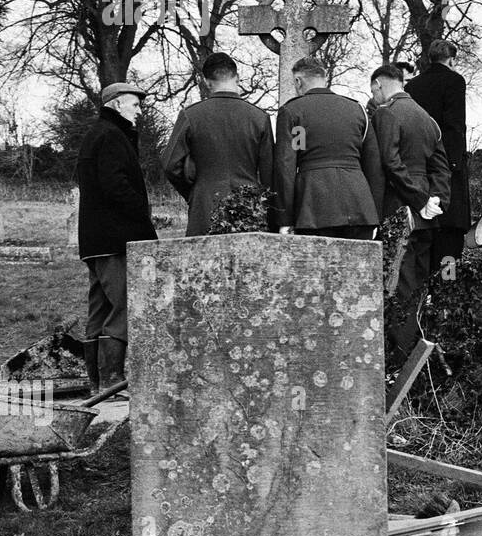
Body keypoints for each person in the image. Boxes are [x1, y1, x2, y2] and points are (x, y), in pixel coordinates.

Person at [76, 83, 158, 394]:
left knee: (99, 307)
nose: (139, 111)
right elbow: (116, 186)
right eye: (134, 105)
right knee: (124, 303)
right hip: (114, 238)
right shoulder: (111, 136)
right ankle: (111, 381)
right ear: (116, 103)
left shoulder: (98, 134)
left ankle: (96, 383)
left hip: (95, 240)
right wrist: (141, 220)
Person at [370, 63, 451, 351]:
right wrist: (436, 201)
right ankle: (417, 345)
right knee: (417, 283)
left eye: (374, 90)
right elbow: (441, 167)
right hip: (427, 214)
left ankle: (403, 353)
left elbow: (390, 163)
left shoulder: (386, 114)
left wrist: (419, 201)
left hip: (400, 208)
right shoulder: (427, 118)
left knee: (398, 284)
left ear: (379, 84)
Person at [162, 52, 274, 236]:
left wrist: (193, 192)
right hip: (248, 206)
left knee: (204, 262)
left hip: (204, 205)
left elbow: (169, 164)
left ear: (206, 82)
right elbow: (269, 173)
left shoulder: (191, 115)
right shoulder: (259, 118)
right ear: (237, 77)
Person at [274, 57, 382, 239]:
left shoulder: (294, 112)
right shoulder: (357, 110)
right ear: (324, 78)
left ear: (298, 81)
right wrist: (374, 213)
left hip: (313, 208)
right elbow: (374, 166)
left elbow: (286, 166)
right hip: (360, 208)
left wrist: (285, 218)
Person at [405, 40, 471, 264]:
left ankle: (423, 291)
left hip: (419, 164)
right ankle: (445, 287)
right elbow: (454, 125)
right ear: (451, 59)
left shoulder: (412, 86)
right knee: (449, 236)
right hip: (446, 162)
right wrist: (455, 164)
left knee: (424, 236)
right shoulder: (454, 81)